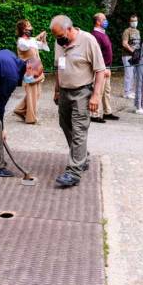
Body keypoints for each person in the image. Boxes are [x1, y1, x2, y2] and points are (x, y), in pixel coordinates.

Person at [50, 15, 106, 188]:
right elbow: (59, 67)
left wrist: (96, 96)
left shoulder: (88, 40)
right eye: (56, 37)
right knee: (65, 124)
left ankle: (73, 172)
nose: (59, 40)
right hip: (65, 91)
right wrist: (57, 90)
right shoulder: (59, 43)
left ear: (69, 29)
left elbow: (100, 70)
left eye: (60, 36)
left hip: (82, 91)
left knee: (79, 129)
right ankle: (83, 157)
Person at [13, 19, 48, 124]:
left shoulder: (31, 40)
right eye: (28, 26)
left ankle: (19, 110)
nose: (31, 28)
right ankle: (31, 118)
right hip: (29, 72)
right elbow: (30, 45)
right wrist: (37, 37)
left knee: (36, 94)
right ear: (23, 29)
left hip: (37, 70)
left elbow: (43, 47)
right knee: (32, 94)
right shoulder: (21, 41)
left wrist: (43, 38)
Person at [90, 13, 118, 123]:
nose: (106, 21)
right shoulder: (96, 35)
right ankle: (94, 114)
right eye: (104, 19)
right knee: (98, 91)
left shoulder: (103, 33)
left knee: (106, 91)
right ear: (98, 21)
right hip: (101, 68)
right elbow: (97, 54)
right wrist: (103, 68)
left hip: (107, 67)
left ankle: (107, 112)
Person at [121, 14, 140, 99]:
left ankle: (131, 91)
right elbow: (124, 43)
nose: (134, 22)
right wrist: (133, 51)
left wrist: (137, 53)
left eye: (135, 20)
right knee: (128, 74)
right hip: (127, 55)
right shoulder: (127, 31)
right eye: (132, 21)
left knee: (134, 74)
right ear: (129, 22)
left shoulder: (137, 31)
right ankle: (126, 92)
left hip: (135, 56)